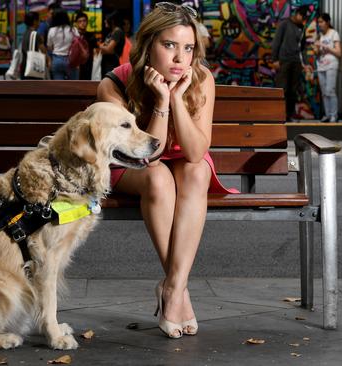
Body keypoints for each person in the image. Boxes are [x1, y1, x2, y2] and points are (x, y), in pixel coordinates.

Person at [97, 2, 237, 339]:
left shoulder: (201, 79)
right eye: (169, 45)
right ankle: (180, 290)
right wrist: (160, 102)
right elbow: (147, 157)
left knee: (198, 171)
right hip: (135, 168)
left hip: (184, 166)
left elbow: (194, 151)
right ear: (148, 45)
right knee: (159, 177)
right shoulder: (114, 85)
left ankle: (173, 288)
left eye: (187, 48)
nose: (180, 58)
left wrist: (177, 98)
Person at [271, 5, 311, 122]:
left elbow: (303, 48)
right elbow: (276, 41)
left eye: (305, 17)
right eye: (302, 16)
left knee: (293, 90)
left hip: (296, 62)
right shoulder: (285, 24)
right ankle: (280, 115)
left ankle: (290, 115)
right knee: (282, 89)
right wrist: (275, 60)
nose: (303, 19)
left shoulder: (301, 27)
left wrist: (306, 63)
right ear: (296, 13)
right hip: (284, 61)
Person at [314, 13, 341, 123]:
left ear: (327, 22)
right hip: (321, 66)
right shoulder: (320, 35)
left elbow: (339, 52)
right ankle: (327, 114)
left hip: (331, 65)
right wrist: (316, 48)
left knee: (330, 91)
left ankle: (334, 115)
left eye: (321, 22)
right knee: (324, 92)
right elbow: (316, 52)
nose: (319, 24)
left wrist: (325, 46)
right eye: (318, 22)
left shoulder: (334, 33)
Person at [47, 8, 78, 80]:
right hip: (71, 61)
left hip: (56, 60)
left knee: (59, 88)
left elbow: (49, 47)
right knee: (74, 87)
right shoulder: (73, 29)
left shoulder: (52, 30)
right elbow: (78, 45)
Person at [21, 12, 49, 80]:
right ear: (35, 21)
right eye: (39, 20)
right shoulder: (35, 34)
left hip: (25, 66)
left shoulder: (25, 33)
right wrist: (48, 62)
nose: (39, 22)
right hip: (34, 67)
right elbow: (43, 51)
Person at [98, 11, 125, 76]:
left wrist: (98, 45)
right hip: (106, 64)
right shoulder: (111, 32)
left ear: (112, 21)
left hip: (112, 64)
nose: (105, 21)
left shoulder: (117, 32)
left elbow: (109, 50)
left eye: (106, 20)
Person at [75, 11, 98, 80]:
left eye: (84, 21)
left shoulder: (91, 36)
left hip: (88, 65)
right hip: (76, 65)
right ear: (76, 23)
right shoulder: (73, 35)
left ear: (87, 22)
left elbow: (96, 51)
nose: (82, 23)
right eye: (80, 21)